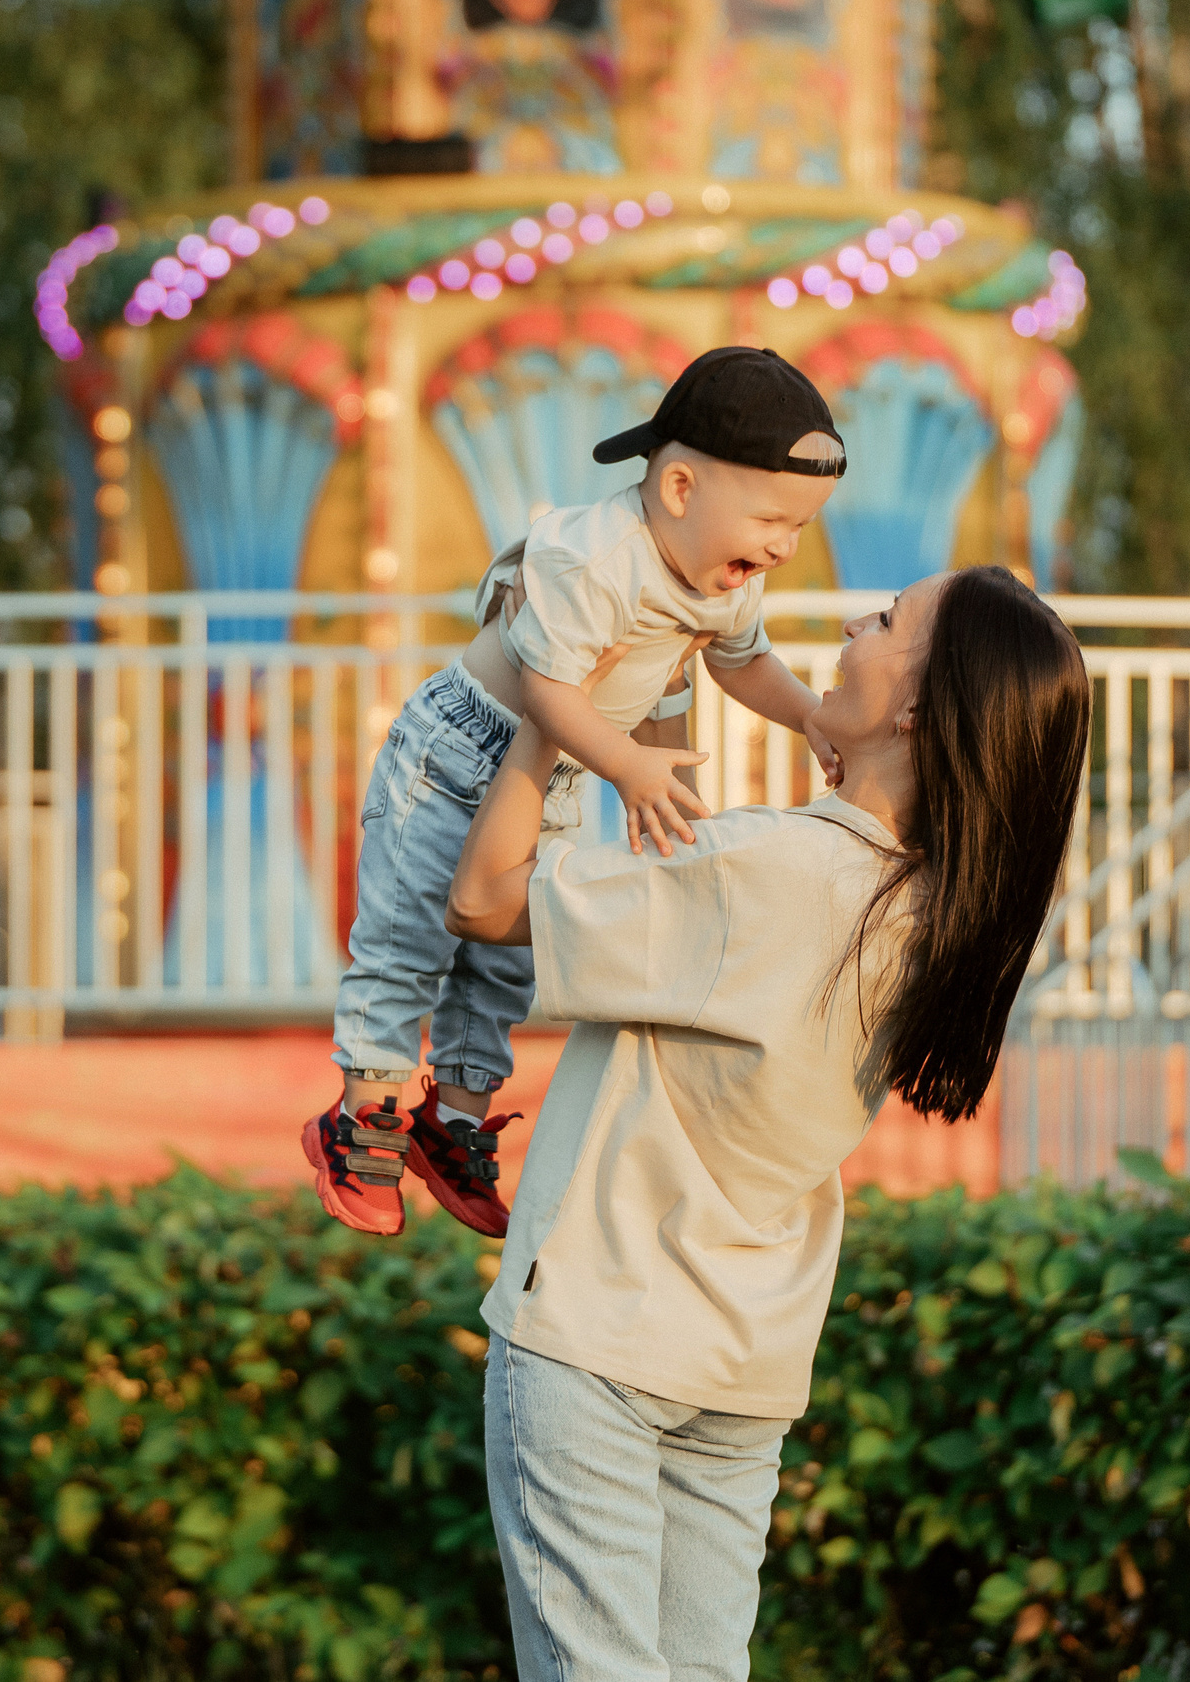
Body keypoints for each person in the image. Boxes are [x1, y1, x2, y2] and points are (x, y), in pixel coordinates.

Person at [441, 566, 1092, 1682]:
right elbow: (685, 888)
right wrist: (668, 684)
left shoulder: (773, 871)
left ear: (917, 707)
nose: (851, 622)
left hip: (600, 1338)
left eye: (887, 620)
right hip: (741, 1370)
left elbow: (485, 895)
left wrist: (554, 700)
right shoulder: (931, 914)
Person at [303, 348, 847, 1240]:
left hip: (548, 776)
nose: (784, 545)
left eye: (801, 525)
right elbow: (549, 691)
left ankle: (455, 1122)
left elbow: (744, 662)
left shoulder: (725, 580)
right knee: (409, 939)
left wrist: (810, 716)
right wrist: (629, 765)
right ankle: (363, 1117)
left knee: (504, 963)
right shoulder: (596, 557)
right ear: (680, 488)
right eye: (771, 519)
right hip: (456, 751)